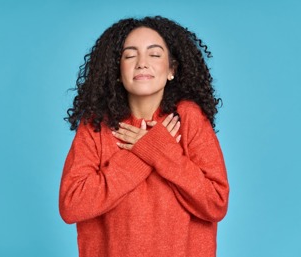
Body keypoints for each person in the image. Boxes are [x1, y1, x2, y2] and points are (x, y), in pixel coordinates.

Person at [59, 16, 229, 257]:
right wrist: (145, 152)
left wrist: (159, 152)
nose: (142, 63)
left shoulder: (188, 118)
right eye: (130, 55)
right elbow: (72, 204)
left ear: (172, 69)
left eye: (155, 54)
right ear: (116, 71)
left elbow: (215, 202)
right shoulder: (96, 125)